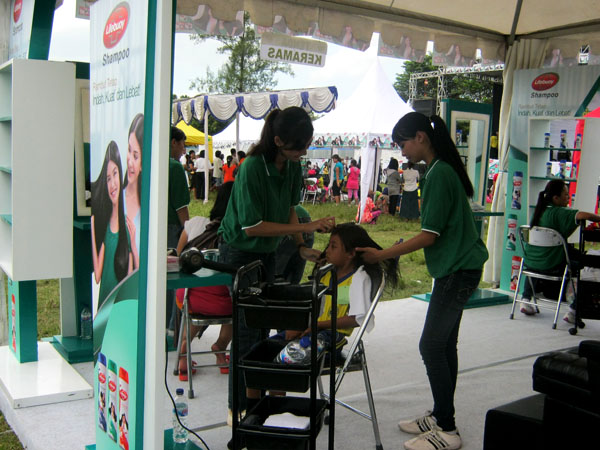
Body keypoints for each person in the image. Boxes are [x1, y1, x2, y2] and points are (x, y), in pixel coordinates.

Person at [358, 112, 489, 450]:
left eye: (402, 143)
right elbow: (435, 231)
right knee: (443, 345)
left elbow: (430, 235)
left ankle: (447, 430)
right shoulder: (440, 169)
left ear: (420, 137)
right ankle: (441, 414)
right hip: (458, 267)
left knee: (431, 346)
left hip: (458, 270)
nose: (401, 151)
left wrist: (382, 254)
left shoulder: (439, 173)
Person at [217, 106, 335, 444]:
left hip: (266, 252)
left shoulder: (292, 167)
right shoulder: (252, 167)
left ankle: (261, 405)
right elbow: (252, 227)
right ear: (279, 140)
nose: (303, 152)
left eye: (307, 145)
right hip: (239, 252)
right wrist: (309, 226)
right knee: (246, 333)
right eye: (299, 146)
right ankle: (239, 409)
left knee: (263, 331)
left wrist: (300, 246)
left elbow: (289, 209)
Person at [282, 223, 399, 357]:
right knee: (273, 344)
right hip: (313, 328)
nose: (327, 251)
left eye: (333, 246)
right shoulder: (326, 274)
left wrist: (318, 325)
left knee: (295, 354)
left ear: (351, 253)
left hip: (331, 335)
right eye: (329, 245)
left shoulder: (359, 278)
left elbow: (356, 319)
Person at [175, 182, 235, 381]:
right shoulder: (238, 233)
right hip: (225, 303)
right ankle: (221, 346)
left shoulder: (195, 223)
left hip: (189, 298)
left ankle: (184, 350)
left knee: (194, 301)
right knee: (239, 302)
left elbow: (178, 257)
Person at [519, 179, 600, 322]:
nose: (568, 198)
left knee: (536, 262)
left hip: (531, 263)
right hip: (553, 264)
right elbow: (584, 216)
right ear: (556, 198)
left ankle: (525, 299)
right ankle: (573, 310)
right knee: (589, 268)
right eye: (566, 195)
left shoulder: (538, 212)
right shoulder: (559, 212)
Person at [91, 141, 135, 309]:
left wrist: (133, 244)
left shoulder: (127, 227)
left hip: (120, 307)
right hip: (104, 306)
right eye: (108, 179)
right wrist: (92, 229)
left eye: (115, 174)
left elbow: (131, 280)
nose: (112, 184)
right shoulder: (105, 229)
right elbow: (97, 276)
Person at [168, 126, 191, 330]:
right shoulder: (174, 167)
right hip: (172, 230)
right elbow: (181, 207)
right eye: (182, 145)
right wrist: (189, 231)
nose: (184, 150)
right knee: (173, 280)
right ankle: (172, 327)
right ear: (173, 142)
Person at [123, 114, 143, 269]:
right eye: (129, 150)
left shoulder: (148, 206)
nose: (129, 160)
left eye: (135, 156)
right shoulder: (115, 199)